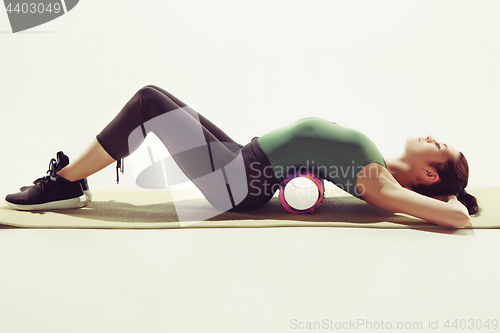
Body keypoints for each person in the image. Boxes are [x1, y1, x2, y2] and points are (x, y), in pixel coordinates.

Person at [5, 85, 479, 228]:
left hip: (239, 180)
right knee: (158, 99)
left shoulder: (383, 183)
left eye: (440, 149)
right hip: (243, 161)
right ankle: (72, 180)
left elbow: (455, 219)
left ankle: (65, 184)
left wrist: (455, 203)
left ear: (426, 174)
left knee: (148, 102)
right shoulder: (377, 166)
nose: (434, 138)